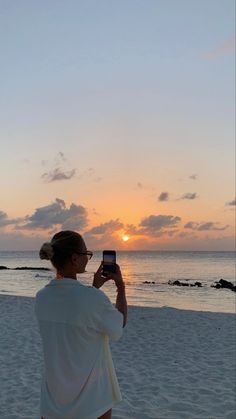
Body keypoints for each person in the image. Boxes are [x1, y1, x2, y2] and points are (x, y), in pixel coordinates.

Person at [35, 230, 127, 419]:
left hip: (52, 403)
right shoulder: (92, 299)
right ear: (75, 259)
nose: (88, 259)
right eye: (87, 254)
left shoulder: (41, 297)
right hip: (91, 403)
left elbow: (73, 316)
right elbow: (118, 326)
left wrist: (93, 289)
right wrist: (121, 288)